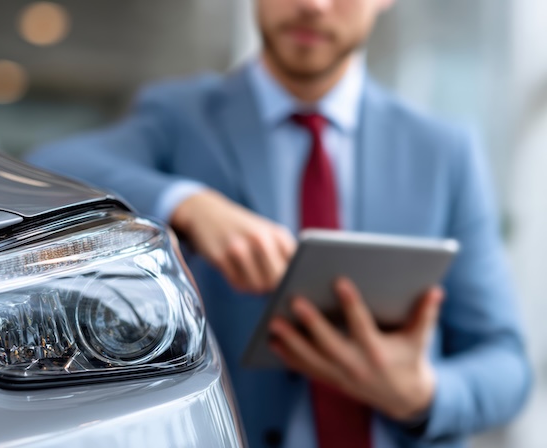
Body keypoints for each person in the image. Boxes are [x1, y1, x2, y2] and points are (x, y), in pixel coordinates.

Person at [26, 0, 532, 446]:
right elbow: (50, 160)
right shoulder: (180, 117)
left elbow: (506, 366)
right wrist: (188, 202)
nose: (313, 5)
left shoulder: (443, 153)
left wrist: (423, 393)